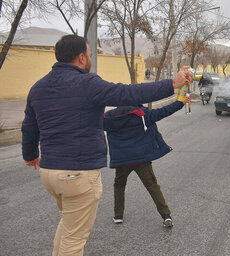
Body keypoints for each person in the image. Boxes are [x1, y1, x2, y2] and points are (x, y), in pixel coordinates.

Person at [21, 35, 192, 256]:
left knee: (68, 227)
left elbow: (29, 126)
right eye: (91, 55)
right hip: (78, 174)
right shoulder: (87, 84)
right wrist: (173, 84)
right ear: (81, 58)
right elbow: (127, 93)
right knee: (74, 240)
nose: (91, 59)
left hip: (49, 172)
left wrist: (30, 154)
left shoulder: (38, 87)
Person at [103, 94, 190, 228]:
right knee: (152, 186)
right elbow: (164, 111)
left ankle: (118, 215)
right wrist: (180, 103)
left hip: (121, 160)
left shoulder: (109, 117)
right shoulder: (143, 114)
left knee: (119, 185)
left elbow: (91, 121)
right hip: (141, 159)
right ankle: (166, 216)